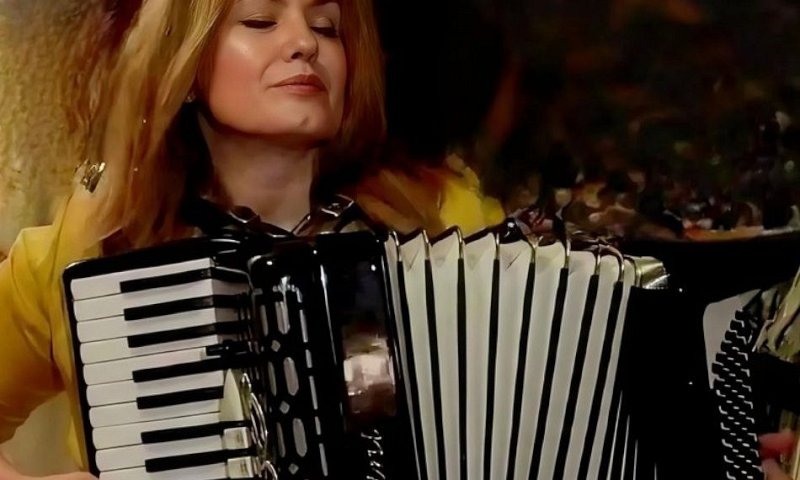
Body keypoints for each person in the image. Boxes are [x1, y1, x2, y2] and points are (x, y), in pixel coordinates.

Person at [0, 0, 502, 478]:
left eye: (327, 27)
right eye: (261, 20)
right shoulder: (91, 242)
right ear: (187, 62)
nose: (305, 42)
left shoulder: (442, 219)